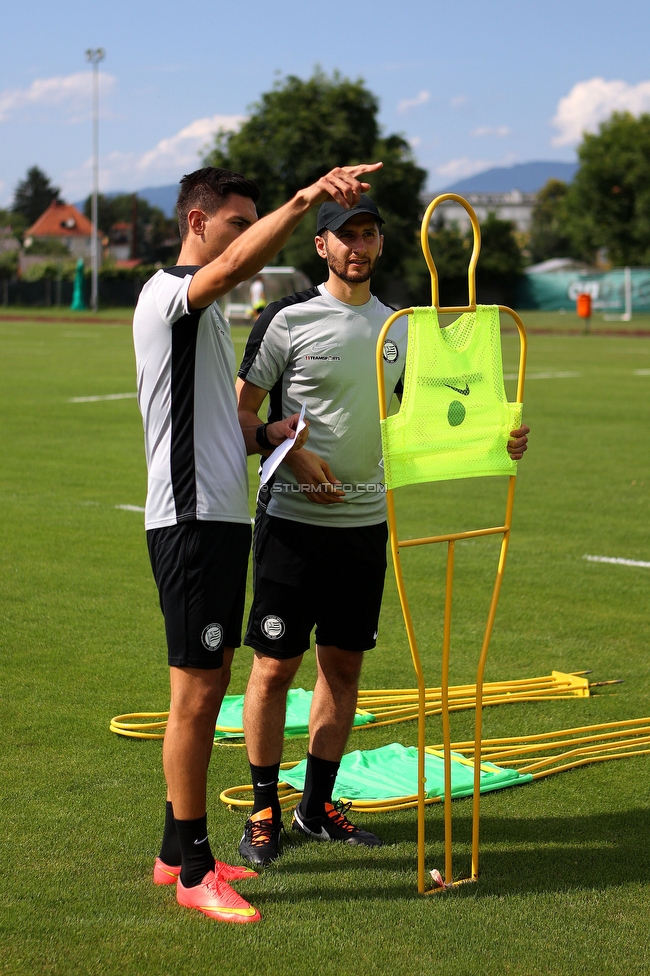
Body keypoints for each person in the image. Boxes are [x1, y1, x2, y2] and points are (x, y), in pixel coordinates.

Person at [236, 195, 530, 866]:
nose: (358, 246)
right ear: (321, 247)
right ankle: (261, 811)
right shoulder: (285, 320)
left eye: (368, 233)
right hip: (291, 522)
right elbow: (239, 417)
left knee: (342, 666)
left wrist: (498, 438)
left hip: (366, 525)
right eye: (346, 236)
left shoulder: (401, 326)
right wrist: (290, 452)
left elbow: (432, 413)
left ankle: (316, 808)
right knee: (276, 667)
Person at [132, 162, 382, 922]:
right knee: (199, 694)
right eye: (237, 225)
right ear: (197, 223)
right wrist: (306, 197)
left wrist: (273, 432)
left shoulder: (206, 314)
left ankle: (174, 854)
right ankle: (195, 869)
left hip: (217, 516)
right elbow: (238, 266)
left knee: (205, 689)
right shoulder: (170, 294)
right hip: (190, 520)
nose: (247, 242)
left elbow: (221, 423)